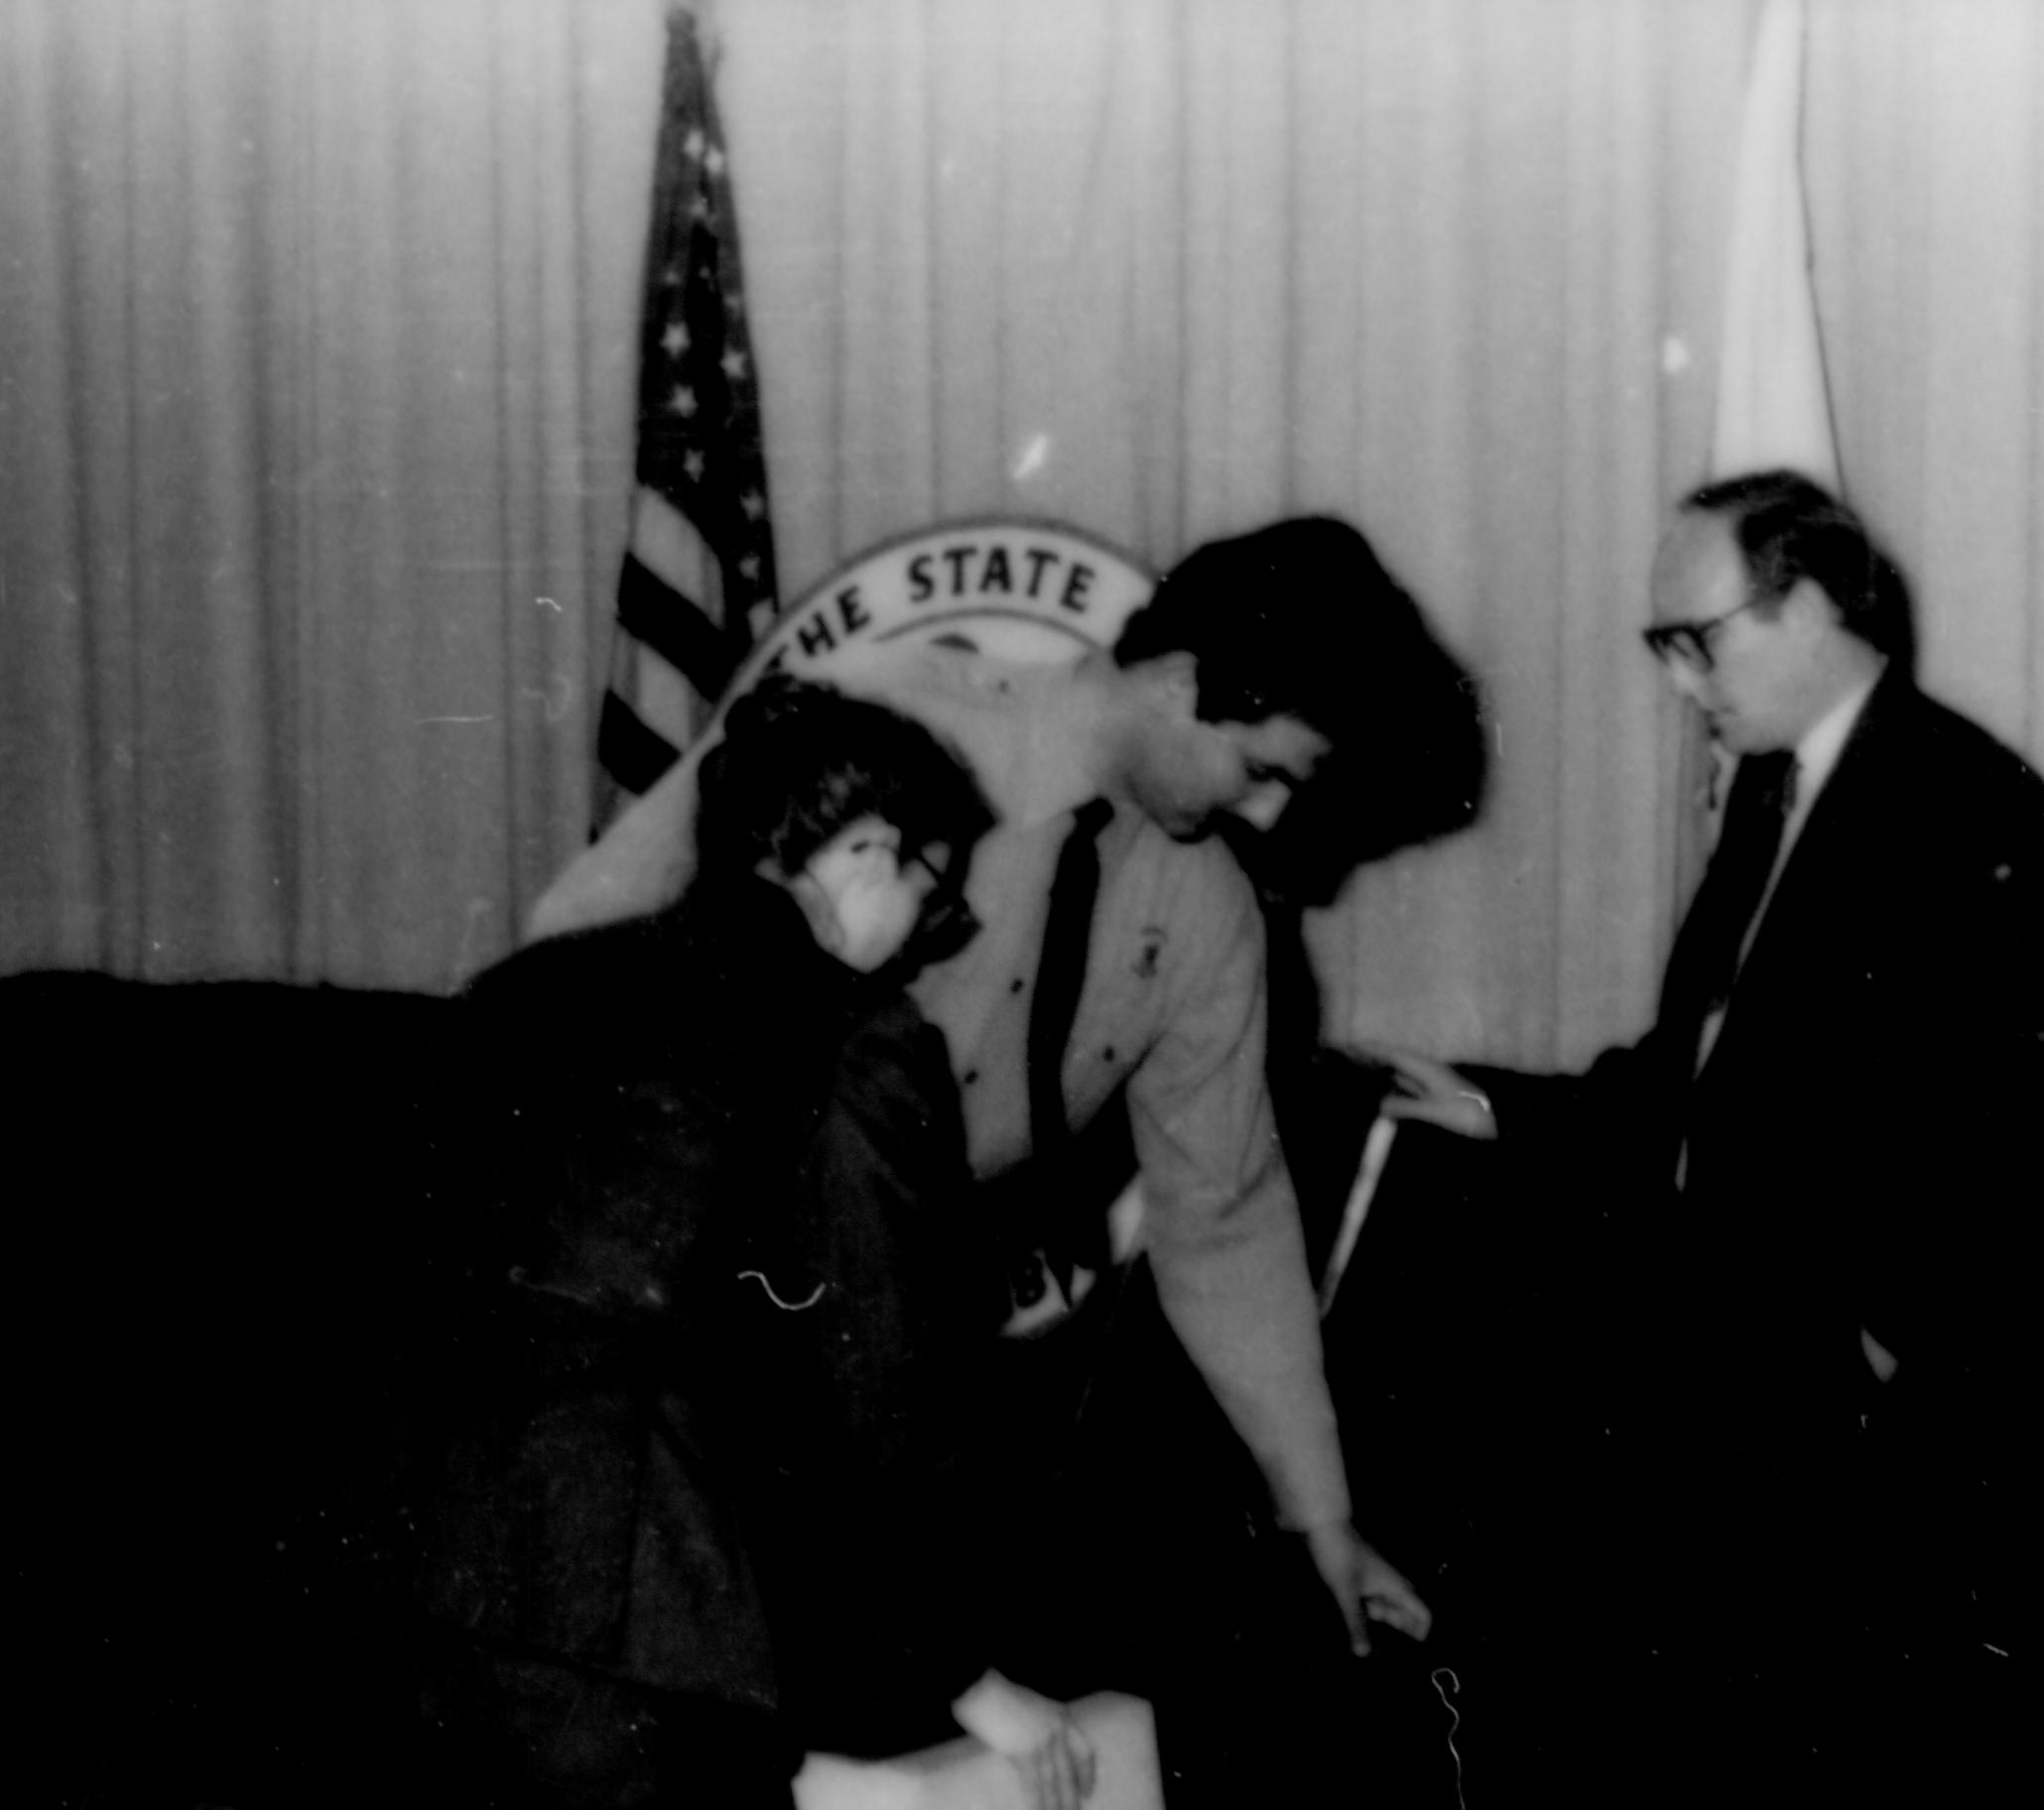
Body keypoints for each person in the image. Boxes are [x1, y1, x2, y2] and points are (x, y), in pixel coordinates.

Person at [1376, 469, 2044, 1810]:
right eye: (1663, 645)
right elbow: (1700, 1088)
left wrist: (1890, 1360)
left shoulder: (1980, 819)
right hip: (1726, 1398)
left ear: (1812, 610)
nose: (1678, 680)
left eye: (1696, 637)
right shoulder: (1775, 801)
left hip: (1866, 1441)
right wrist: (1498, 1108)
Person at [265, 680, 1090, 1810]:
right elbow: (884, 1420)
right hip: (639, 1644)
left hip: (397, 1603)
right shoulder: (859, 1047)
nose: (936, 925)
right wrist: (956, 1671)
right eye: (927, 879)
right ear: (851, 849)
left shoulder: (525, 988)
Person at [529, 515, 1486, 1660]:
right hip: (666, 1358)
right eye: (1263, 769)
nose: (1272, 815)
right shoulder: (879, 719)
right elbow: (576, 948)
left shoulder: (1204, 911)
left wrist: (1319, 1517)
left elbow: (1221, 1222)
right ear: (1182, 682)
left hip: (897, 1383)